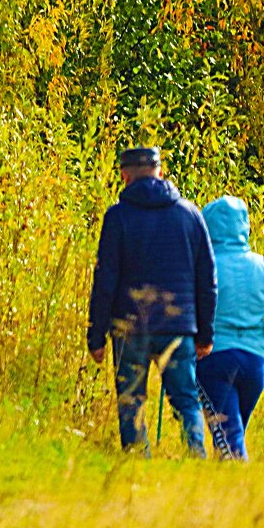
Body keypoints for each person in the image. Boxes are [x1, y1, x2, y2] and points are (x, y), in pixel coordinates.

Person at [87, 147, 216, 457]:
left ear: (124, 175)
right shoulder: (190, 215)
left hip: (130, 325)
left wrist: (96, 335)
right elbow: (207, 280)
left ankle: (136, 459)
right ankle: (196, 456)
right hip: (179, 326)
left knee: (131, 400)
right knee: (186, 399)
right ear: (161, 172)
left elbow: (105, 280)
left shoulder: (117, 217)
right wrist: (205, 334)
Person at [195, 195, 264, 461]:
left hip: (214, 360)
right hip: (254, 364)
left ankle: (238, 476)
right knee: (232, 432)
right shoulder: (263, 266)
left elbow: (188, 313)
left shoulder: (204, 268)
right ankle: (227, 479)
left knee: (229, 437)